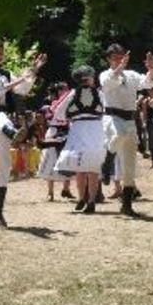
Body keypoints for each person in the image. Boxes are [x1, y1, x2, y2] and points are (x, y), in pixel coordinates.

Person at [0, 41, 46, 227]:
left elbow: (23, 89)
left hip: (1, 123)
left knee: (5, 165)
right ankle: (13, 133)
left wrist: (34, 70)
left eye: (1, 53)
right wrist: (16, 80)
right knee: (1, 117)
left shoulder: (6, 74)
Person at [100, 44, 153, 216]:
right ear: (108, 59)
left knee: (129, 163)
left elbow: (147, 82)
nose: (118, 59)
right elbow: (108, 83)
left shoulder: (132, 75)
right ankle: (108, 161)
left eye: (121, 56)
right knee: (119, 134)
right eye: (114, 57)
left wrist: (152, 69)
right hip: (112, 117)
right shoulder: (105, 74)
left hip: (129, 118)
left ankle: (126, 204)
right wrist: (119, 68)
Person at [52, 65, 106, 213]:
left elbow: (59, 112)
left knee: (80, 166)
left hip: (79, 128)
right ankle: (90, 200)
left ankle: (84, 199)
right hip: (95, 128)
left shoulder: (73, 94)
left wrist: (70, 118)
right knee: (92, 167)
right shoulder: (99, 93)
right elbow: (106, 110)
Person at [37, 82, 74, 201]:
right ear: (58, 91)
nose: (65, 92)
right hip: (53, 131)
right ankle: (50, 192)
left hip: (67, 132)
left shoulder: (69, 104)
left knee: (67, 159)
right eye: (63, 89)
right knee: (50, 160)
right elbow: (48, 118)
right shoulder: (50, 106)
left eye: (66, 89)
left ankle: (66, 189)